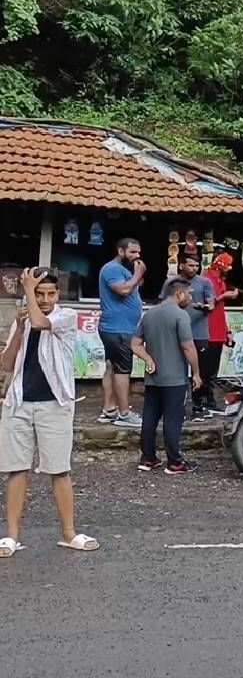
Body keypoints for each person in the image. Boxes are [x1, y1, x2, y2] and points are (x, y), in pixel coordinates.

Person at [0, 269, 99, 558]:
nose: (44, 299)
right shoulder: (24, 318)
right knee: (17, 470)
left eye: (50, 293)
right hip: (19, 402)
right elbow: (7, 364)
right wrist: (18, 329)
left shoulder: (65, 316)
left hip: (54, 404)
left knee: (59, 470)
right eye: (39, 293)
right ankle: (10, 537)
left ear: (58, 295)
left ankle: (69, 534)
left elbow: (42, 322)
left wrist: (27, 290)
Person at [131, 279, 202, 474]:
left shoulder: (149, 315)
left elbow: (135, 343)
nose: (190, 298)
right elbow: (188, 346)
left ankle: (148, 458)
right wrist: (196, 372)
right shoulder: (181, 316)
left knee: (150, 418)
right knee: (173, 419)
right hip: (175, 379)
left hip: (153, 378)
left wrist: (148, 359)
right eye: (188, 294)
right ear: (179, 294)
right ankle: (175, 462)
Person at [97, 237, 145, 427]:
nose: (137, 256)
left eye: (138, 252)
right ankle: (124, 413)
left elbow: (133, 287)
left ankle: (109, 410)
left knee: (111, 367)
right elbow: (124, 290)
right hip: (118, 329)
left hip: (119, 328)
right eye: (133, 252)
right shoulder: (111, 269)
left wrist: (137, 275)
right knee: (123, 371)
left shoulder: (124, 269)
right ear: (120, 251)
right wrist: (138, 273)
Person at [162, 256, 216, 418]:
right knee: (177, 371)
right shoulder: (171, 283)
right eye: (190, 265)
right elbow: (164, 303)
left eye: (196, 265)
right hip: (175, 332)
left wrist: (205, 307)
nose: (194, 268)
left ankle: (198, 407)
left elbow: (212, 305)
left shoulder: (205, 282)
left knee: (200, 372)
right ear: (181, 265)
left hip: (199, 332)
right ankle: (177, 407)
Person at [205, 253, 239, 413]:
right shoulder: (207, 279)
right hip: (207, 331)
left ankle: (210, 402)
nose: (230, 268)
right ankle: (206, 402)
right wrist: (223, 296)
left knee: (213, 371)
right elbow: (207, 303)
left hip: (218, 331)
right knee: (206, 370)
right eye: (228, 265)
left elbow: (221, 311)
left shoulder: (220, 281)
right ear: (220, 265)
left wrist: (228, 331)